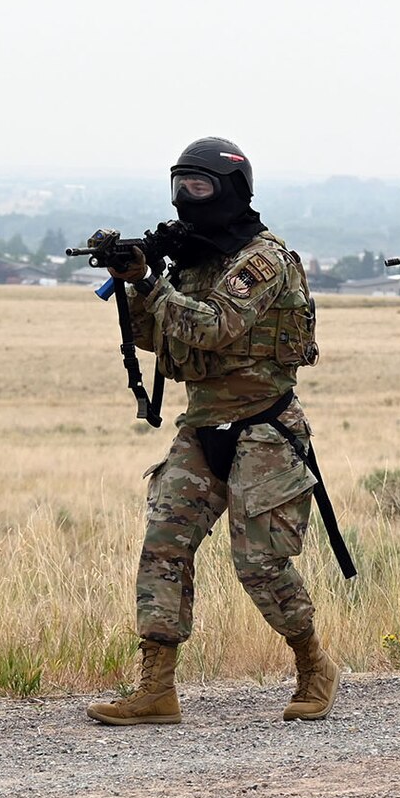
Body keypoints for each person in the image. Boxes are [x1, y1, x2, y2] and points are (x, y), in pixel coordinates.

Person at [86, 137, 340, 726]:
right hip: (202, 425)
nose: (186, 198)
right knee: (163, 547)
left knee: (260, 564)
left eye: (199, 186)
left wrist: (152, 283)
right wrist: (137, 283)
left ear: (232, 189)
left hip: (264, 428)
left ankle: (312, 665)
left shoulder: (262, 260)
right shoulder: (194, 259)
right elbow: (160, 338)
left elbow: (213, 327)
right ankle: (156, 688)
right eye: (179, 186)